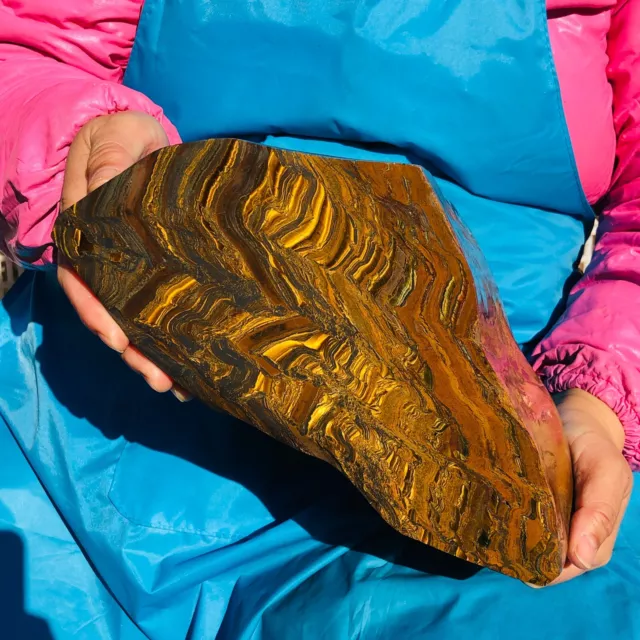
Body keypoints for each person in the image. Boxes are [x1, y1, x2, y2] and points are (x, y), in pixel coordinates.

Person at [0, 0, 639, 637]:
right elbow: (24, 51)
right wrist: (87, 165)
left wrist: (601, 395)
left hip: (509, 359)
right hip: (143, 323)